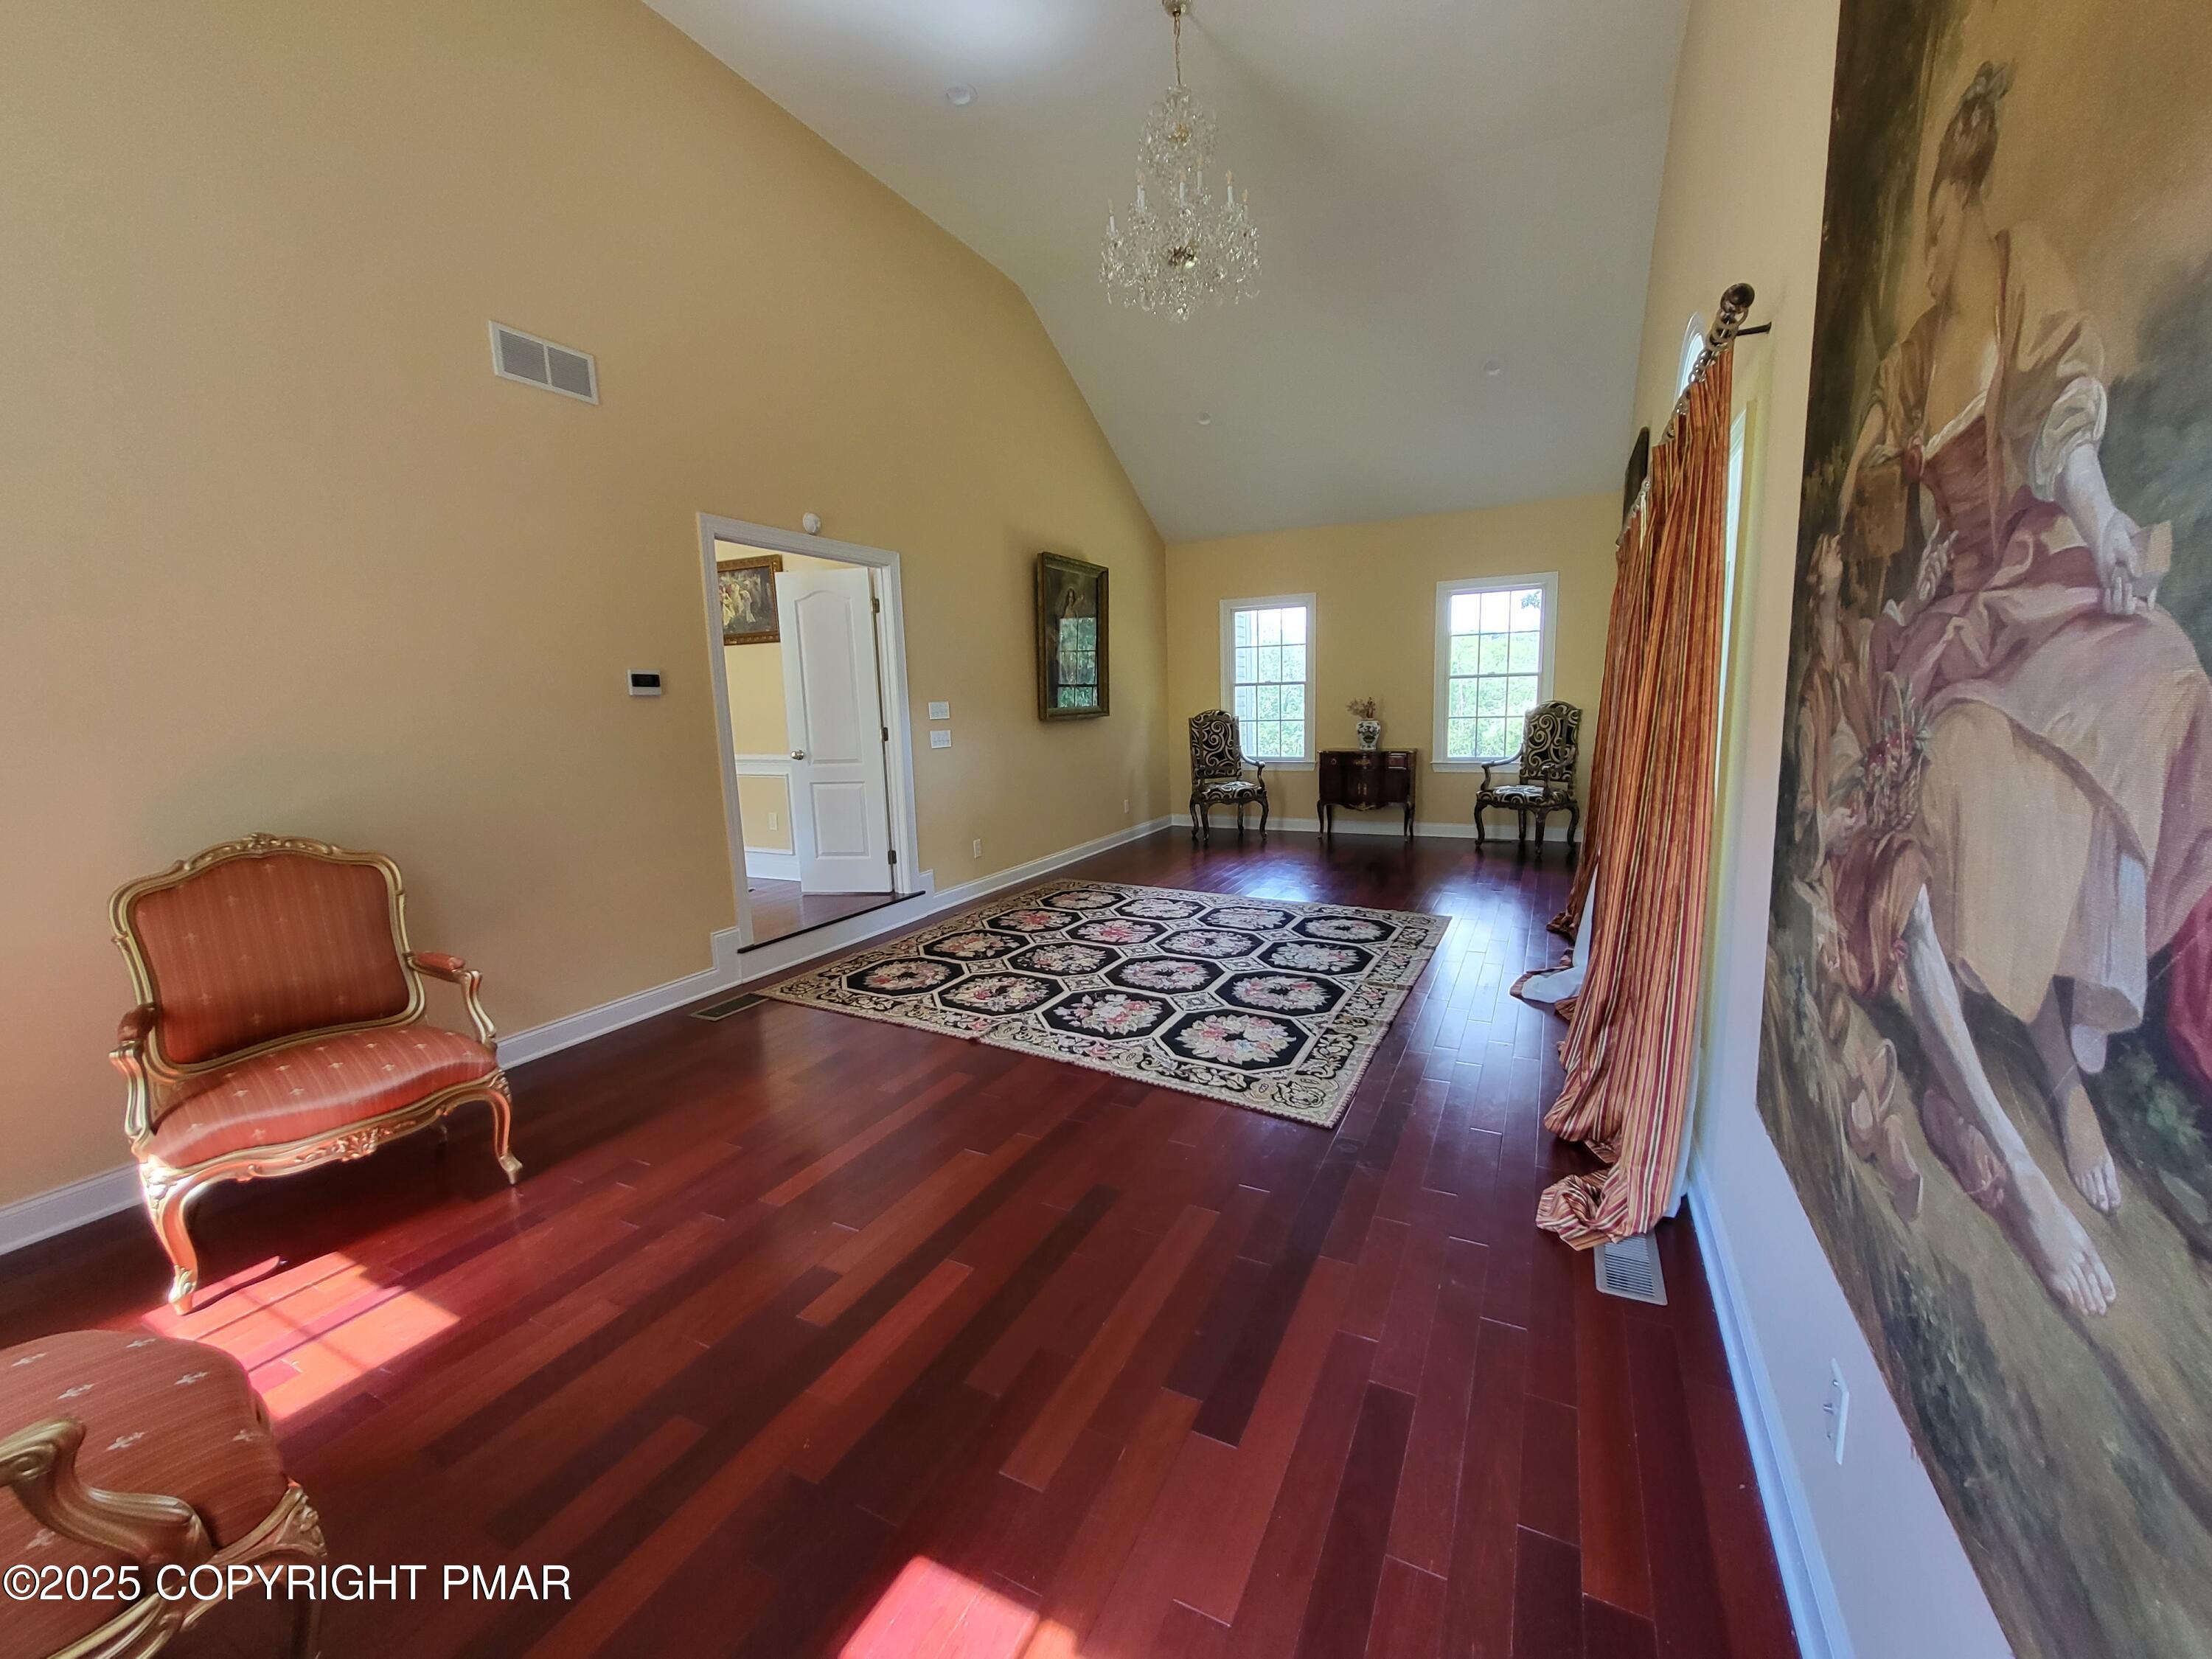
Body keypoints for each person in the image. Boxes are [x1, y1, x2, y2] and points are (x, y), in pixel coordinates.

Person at [1807, 63, 2212, 1315]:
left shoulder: (2018, 270)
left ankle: (2074, 1065)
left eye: (1934, 227)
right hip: (1948, 620)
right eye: (1922, 233)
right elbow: (1872, 469)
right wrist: (1841, 533)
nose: (1926, 252)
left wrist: (2095, 517)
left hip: (2030, 573)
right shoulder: (1913, 349)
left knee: (2147, 684)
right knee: (1969, 792)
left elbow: (2064, 431)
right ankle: (2039, 1115)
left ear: (1963, 206)